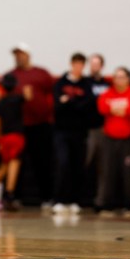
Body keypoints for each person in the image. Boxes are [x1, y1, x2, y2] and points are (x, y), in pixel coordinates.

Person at [6, 42, 54, 207]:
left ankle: (47, 197)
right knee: (17, 162)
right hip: (18, 127)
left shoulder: (41, 74)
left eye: (21, 53)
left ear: (28, 55)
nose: (19, 57)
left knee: (43, 161)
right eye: (16, 54)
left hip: (41, 125)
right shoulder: (11, 76)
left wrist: (49, 114)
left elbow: (52, 94)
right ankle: (15, 197)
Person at [96, 68, 130, 215]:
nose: (119, 80)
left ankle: (128, 205)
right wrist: (119, 108)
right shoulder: (107, 94)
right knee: (108, 171)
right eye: (116, 77)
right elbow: (102, 108)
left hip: (128, 139)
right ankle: (107, 205)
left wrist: (115, 108)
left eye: (122, 77)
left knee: (128, 172)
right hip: (109, 139)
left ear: (128, 79)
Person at [52, 53, 93, 215]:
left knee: (77, 165)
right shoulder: (60, 83)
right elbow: (57, 106)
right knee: (63, 163)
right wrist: (74, 104)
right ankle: (59, 200)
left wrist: (69, 101)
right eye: (75, 64)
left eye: (81, 64)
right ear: (71, 64)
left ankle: (75, 200)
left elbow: (87, 106)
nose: (78, 67)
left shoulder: (86, 84)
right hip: (62, 131)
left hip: (79, 132)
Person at [0, 73, 25, 212]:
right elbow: (29, 97)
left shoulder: (1, 102)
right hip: (17, 136)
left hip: (5, 138)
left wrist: (0, 138)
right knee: (14, 164)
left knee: (4, 166)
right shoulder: (18, 99)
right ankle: (9, 195)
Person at [85, 54, 110, 205]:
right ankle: (80, 198)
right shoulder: (85, 83)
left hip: (104, 129)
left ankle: (101, 200)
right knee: (85, 163)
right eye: (92, 64)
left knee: (103, 167)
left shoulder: (107, 85)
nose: (94, 67)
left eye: (97, 64)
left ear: (102, 66)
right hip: (88, 129)